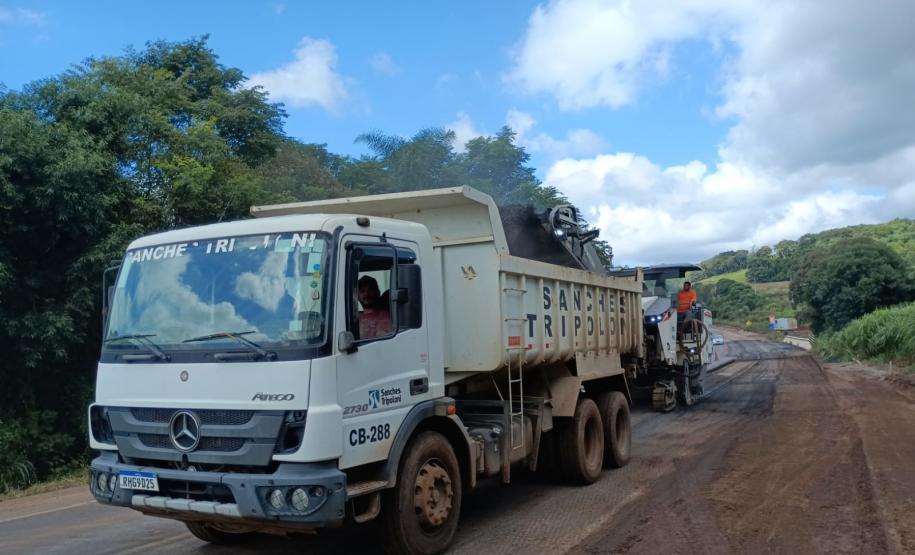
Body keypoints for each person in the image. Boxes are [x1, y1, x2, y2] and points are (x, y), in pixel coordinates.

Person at [356, 275, 392, 339]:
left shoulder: (386, 316)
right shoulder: (354, 318)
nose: (366, 294)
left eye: (370, 290)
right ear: (357, 296)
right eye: (362, 291)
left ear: (378, 292)